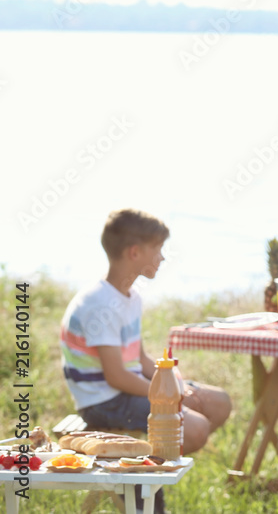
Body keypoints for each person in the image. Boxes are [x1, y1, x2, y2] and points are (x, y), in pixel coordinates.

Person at [60, 209, 232, 512]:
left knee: (218, 403)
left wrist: (174, 382)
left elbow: (137, 359)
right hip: (104, 402)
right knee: (194, 429)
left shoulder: (130, 296)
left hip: (126, 390)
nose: (163, 258)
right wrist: (170, 396)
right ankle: (144, 490)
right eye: (158, 249)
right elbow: (117, 377)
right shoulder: (99, 304)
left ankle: (146, 475)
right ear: (135, 252)